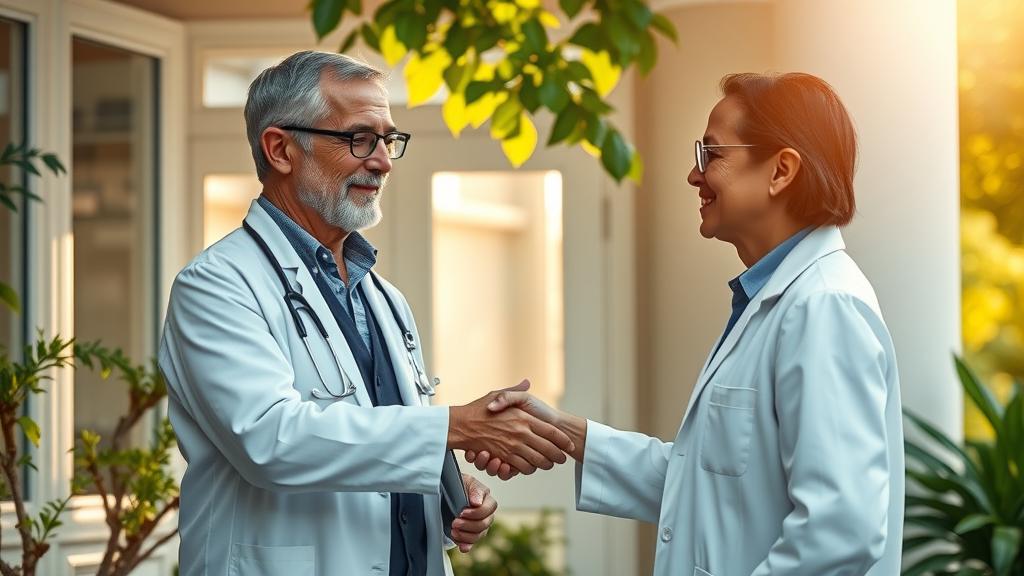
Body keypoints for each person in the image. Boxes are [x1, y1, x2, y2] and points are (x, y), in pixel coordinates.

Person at [158, 50, 574, 576]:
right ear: (280, 149)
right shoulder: (216, 286)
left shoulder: (383, 297)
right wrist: (455, 428)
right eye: (359, 138)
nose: (382, 161)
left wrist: (451, 498)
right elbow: (270, 440)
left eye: (388, 140)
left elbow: (385, 432)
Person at [470, 72, 905, 575]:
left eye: (711, 155)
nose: (694, 175)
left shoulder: (823, 307)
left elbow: (840, 531)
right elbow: (708, 482)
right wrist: (566, 433)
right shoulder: (776, 300)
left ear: (782, 170)